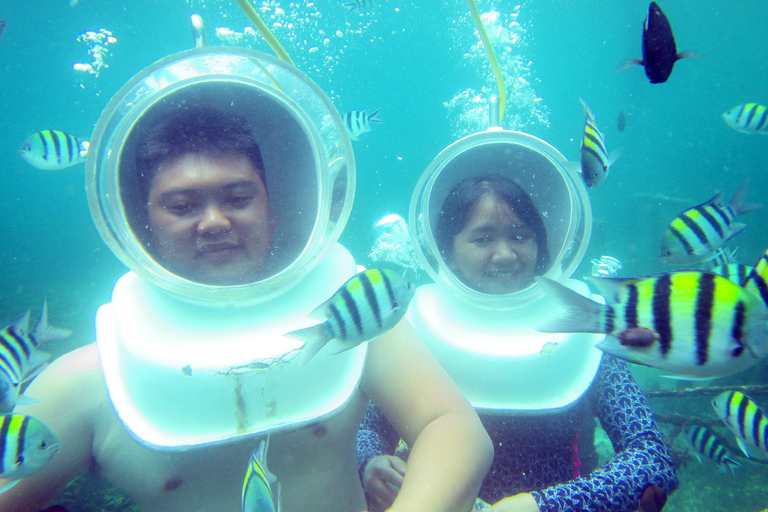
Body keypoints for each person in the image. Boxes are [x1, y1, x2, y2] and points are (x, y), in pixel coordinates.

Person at [0, 105, 493, 512]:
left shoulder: (356, 326)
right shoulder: (90, 379)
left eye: (238, 197)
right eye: (181, 205)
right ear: (138, 222)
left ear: (272, 208)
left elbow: (454, 431)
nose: (214, 221)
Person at [357, 174, 678, 512]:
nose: (505, 254)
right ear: (446, 250)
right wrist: (370, 463)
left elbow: (652, 459)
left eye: (520, 235)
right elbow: (368, 429)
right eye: (482, 239)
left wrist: (544, 505)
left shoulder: (583, 323)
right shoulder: (418, 325)